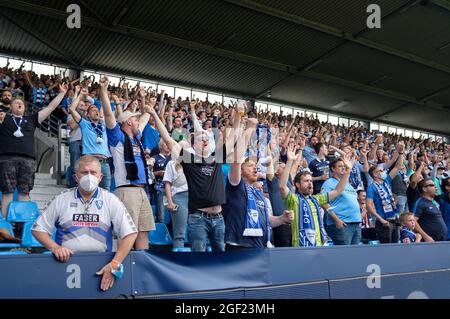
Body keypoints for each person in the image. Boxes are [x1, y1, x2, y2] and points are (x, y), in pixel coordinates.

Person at [32, 156, 137, 292]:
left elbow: (130, 233)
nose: (89, 176)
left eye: (93, 173)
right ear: (75, 177)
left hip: (102, 264)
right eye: (84, 172)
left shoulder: (111, 200)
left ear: (100, 177)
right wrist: (55, 248)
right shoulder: (61, 199)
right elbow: (38, 229)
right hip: (64, 264)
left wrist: (115, 263)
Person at [148, 100, 240, 252]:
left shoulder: (216, 157)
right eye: (200, 138)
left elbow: (234, 138)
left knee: (222, 258)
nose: (204, 140)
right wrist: (153, 114)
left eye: (206, 138)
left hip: (219, 218)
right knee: (199, 258)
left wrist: (238, 116)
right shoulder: (188, 159)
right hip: (198, 219)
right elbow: (167, 138)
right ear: (193, 144)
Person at [99, 76, 155, 250]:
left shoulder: (136, 138)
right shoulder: (117, 137)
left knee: (143, 231)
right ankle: (123, 264)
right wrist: (103, 91)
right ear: (129, 122)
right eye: (136, 120)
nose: (139, 122)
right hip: (127, 189)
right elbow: (109, 114)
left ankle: (142, 265)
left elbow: (146, 116)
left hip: (142, 189)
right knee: (128, 232)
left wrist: (144, 98)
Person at [224, 116, 294, 249]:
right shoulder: (236, 185)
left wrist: (281, 219)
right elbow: (237, 159)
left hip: (259, 247)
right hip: (238, 246)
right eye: (250, 165)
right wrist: (250, 128)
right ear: (240, 170)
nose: (255, 167)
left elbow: (267, 220)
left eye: (255, 165)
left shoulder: (258, 192)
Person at [0, 83, 68, 219]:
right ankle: (4, 225)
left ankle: (20, 222)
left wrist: (61, 94)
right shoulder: (3, 117)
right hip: (6, 159)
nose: (19, 104)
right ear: (11, 106)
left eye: (22, 103)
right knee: (7, 192)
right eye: (16, 103)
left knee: (24, 192)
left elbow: (50, 107)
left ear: (25, 108)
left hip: (28, 160)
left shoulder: (31, 119)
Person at [279, 144, 354, 247]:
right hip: (300, 246)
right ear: (297, 184)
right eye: (306, 181)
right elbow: (282, 187)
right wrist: (290, 161)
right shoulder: (293, 199)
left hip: (318, 245)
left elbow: (338, 191)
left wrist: (348, 171)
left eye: (311, 180)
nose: (310, 183)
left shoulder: (317, 199)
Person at [70, 87, 112, 190]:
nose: (96, 111)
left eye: (97, 110)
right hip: (89, 161)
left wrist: (104, 90)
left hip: (104, 163)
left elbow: (106, 110)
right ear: (88, 115)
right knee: (87, 190)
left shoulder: (104, 125)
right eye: (93, 110)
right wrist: (80, 95)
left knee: (106, 191)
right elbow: (72, 109)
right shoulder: (85, 124)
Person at [322, 158, 362, 245]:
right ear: (333, 168)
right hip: (343, 224)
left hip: (355, 224)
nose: (343, 168)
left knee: (355, 254)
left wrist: (359, 219)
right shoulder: (329, 183)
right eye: (340, 166)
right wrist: (336, 220)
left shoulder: (347, 184)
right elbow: (324, 203)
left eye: (344, 166)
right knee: (344, 255)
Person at [366, 154, 404, 244]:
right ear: (375, 174)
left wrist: (401, 153)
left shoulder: (386, 181)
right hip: (383, 222)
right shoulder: (371, 187)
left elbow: (398, 166)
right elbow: (368, 206)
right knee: (386, 249)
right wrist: (380, 219)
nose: (383, 172)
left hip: (393, 219)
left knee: (395, 246)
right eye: (381, 171)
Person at [163, 159, 189, 249]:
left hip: (195, 196)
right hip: (179, 197)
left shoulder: (195, 159)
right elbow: (167, 183)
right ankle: (179, 260)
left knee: (197, 232)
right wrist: (170, 201)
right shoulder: (172, 163)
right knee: (179, 234)